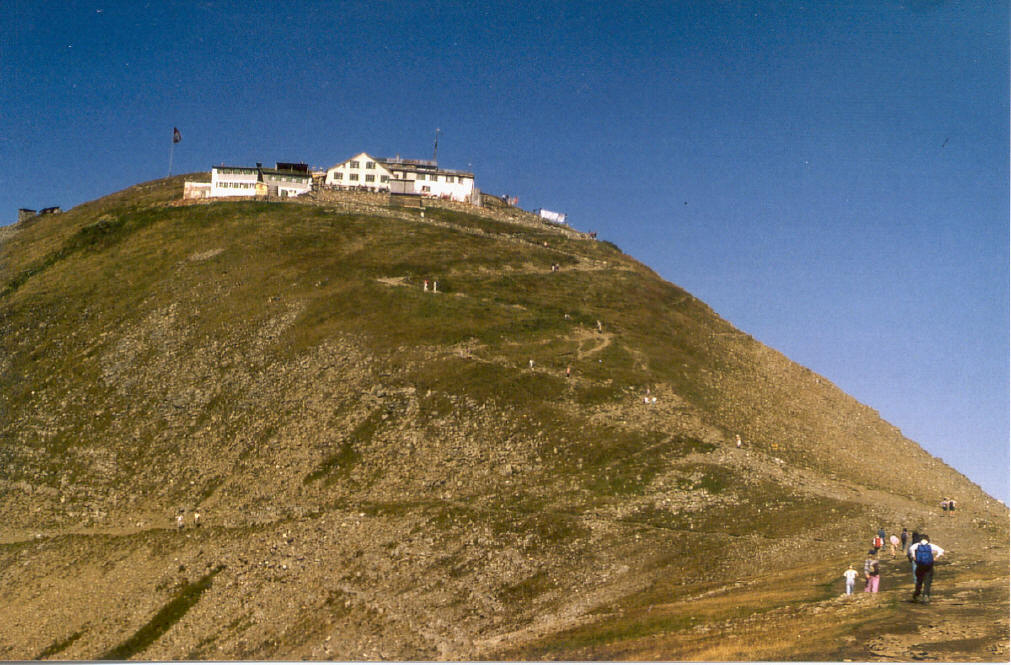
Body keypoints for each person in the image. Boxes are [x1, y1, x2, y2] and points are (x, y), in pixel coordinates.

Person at [909, 536, 945, 603]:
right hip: (929, 565)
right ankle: (926, 595)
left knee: (919, 580)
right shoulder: (930, 545)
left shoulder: (917, 545)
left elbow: (911, 549)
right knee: (927, 581)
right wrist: (936, 558)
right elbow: (941, 550)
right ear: (928, 539)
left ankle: (917, 595)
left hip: (919, 565)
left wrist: (914, 557)